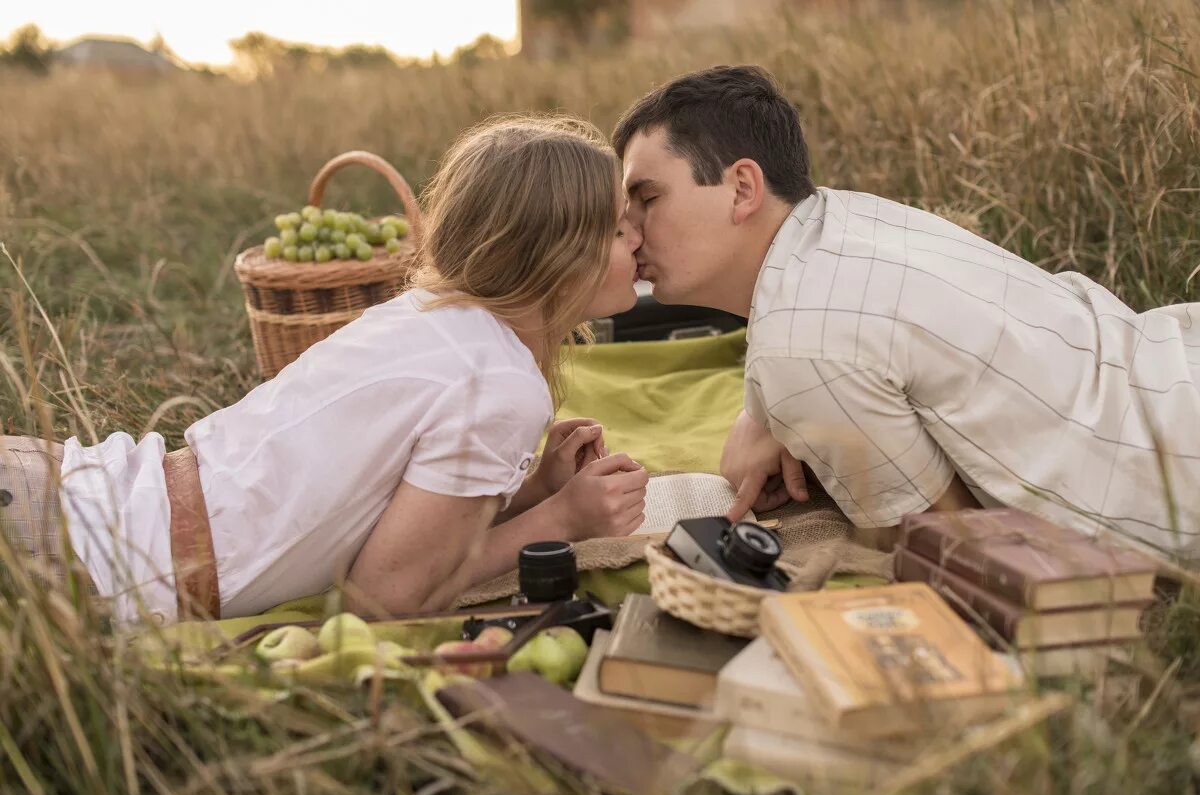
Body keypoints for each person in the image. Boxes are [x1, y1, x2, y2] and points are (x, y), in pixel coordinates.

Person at [0, 115, 650, 624]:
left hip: (81, 486)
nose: (639, 241)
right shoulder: (503, 383)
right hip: (88, 563)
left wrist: (534, 489)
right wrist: (564, 522)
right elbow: (385, 597)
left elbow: (389, 509)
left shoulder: (434, 311)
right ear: (560, 255)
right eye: (621, 232)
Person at [612, 64, 1199, 558]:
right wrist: (768, 413)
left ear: (743, 187)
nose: (629, 233)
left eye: (648, 199)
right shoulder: (850, 220)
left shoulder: (802, 343)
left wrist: (782, 408)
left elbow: (946, 544)